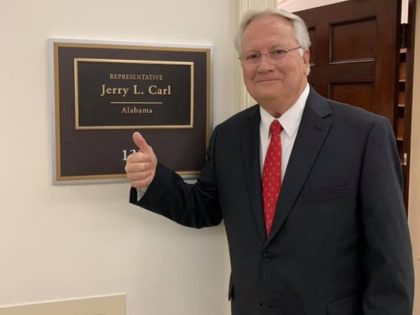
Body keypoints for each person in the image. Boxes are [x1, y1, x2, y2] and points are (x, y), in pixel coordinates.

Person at [125, 8, 414, 315]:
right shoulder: (228, 136)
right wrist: (153, 179)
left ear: (305, 58)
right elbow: (205, 208)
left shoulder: (364, 133)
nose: (264, 66)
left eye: (277, 52)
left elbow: (390, 259)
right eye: (252, 56)